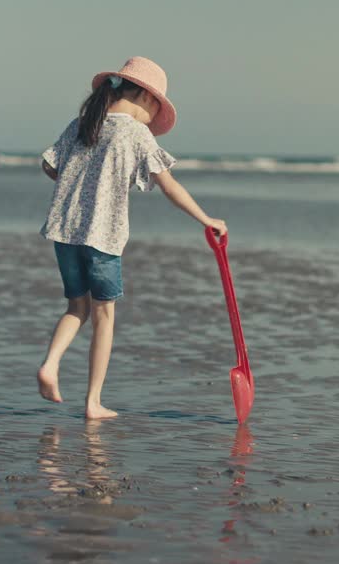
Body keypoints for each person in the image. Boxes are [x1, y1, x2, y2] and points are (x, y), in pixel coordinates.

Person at [36, 56, 227, 419]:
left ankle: (50, 363)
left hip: (65, 231)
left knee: (76, 307)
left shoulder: (82, 123)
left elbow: (50, 166)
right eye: (155, 108)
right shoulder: (135, 134)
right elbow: (168, 185)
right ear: (144, 96)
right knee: (104, 316)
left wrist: (77, 185)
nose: (153, 120)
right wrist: (206, 218)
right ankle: (93, 402)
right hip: (102, 237)